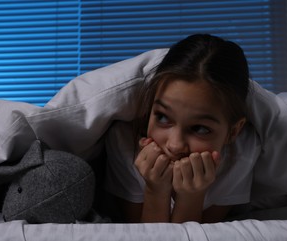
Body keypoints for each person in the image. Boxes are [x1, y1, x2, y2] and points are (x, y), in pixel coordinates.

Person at [104, 34, 259, 223]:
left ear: (233, 132)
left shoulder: (242, 154)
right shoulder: (124, 142)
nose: (175, 145)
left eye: (200, 129)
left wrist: (192, 196)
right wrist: (155, 190)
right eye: (162, 117)